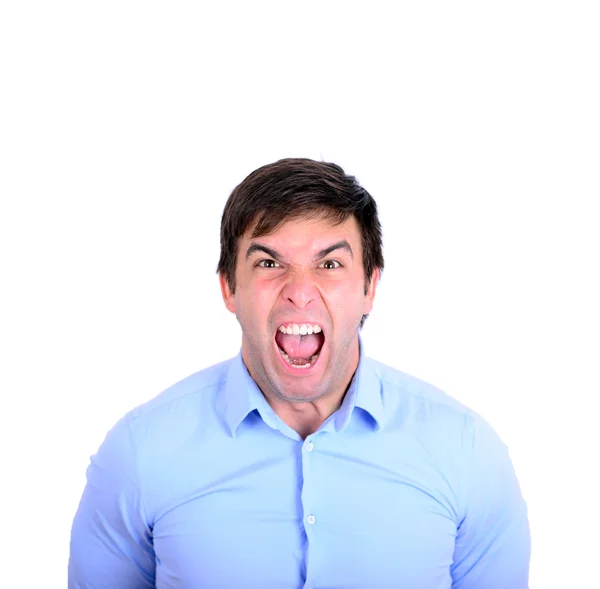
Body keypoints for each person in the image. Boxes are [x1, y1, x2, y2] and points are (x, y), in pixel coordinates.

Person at [68, 158, 531, 588]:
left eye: (330, 265)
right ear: (229, 287)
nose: (300, 292)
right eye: (269, 264)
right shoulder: (138, 454)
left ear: (370, 286)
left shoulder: (468, 454)